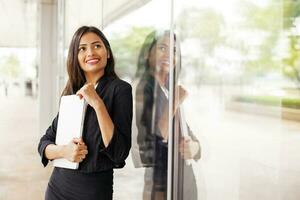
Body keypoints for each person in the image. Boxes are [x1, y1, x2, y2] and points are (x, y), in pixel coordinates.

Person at [38, 26, 133, 200]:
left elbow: (119, 152)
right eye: (82, 48)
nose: (90, 52)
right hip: (58, 188)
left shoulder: (120, 90)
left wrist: (97, 103)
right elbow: (44, 144)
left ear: (108, 53)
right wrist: (64, 151)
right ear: (76, 57)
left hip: (93, 191)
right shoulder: (72, 94)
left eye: (97, 46)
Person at [135, 30, 201, 200]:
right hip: (163, 184)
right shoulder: (144, 89)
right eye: (162, 48)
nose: (168, 55)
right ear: (148, 53)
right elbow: (151, 144)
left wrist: (194, 148)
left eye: (174, 51)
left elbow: (187, 133)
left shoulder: (168, 89)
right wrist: (174, 102)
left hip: (182, 181)